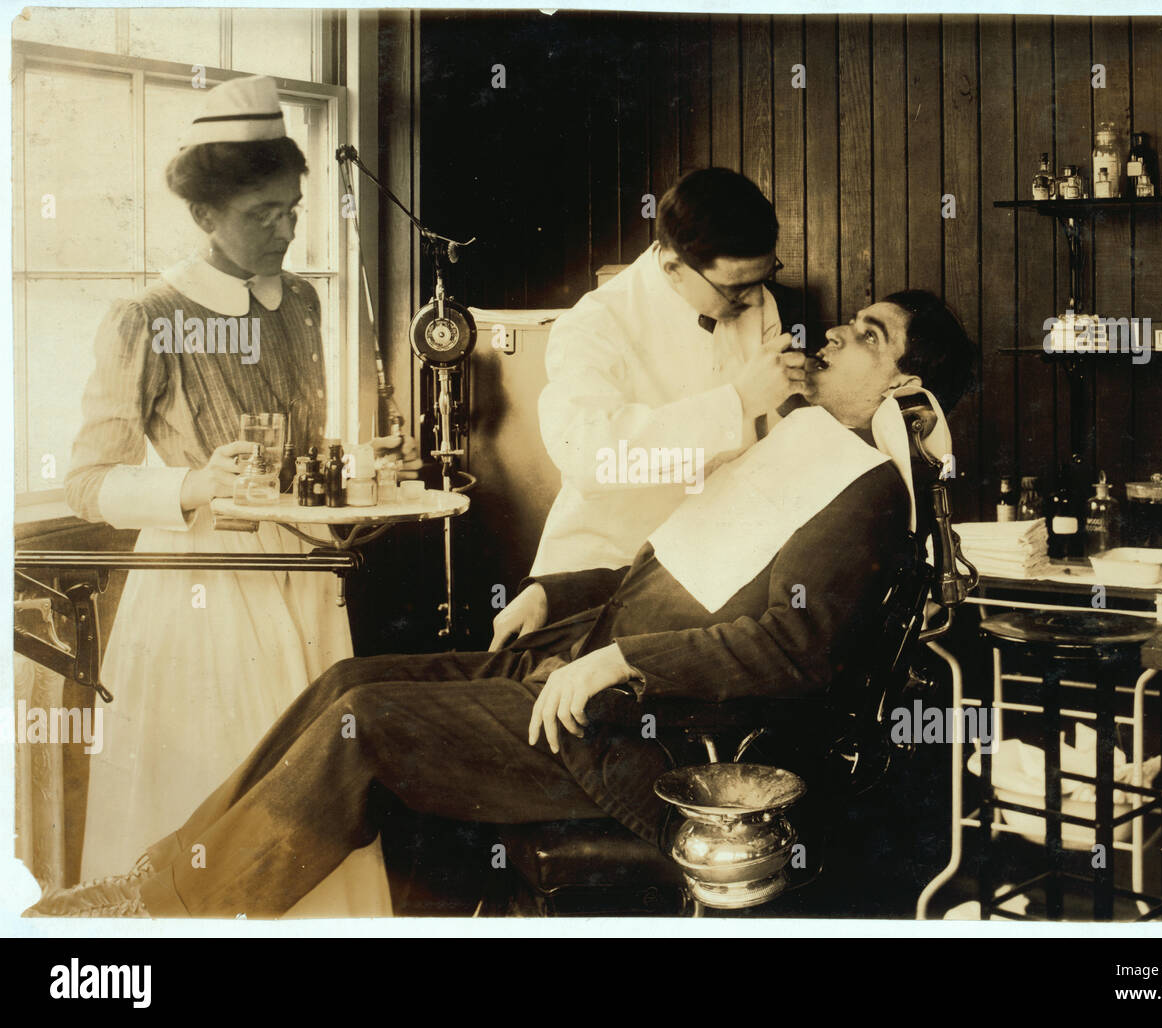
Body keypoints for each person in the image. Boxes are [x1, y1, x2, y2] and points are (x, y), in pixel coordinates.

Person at [31, 290, 975, 918]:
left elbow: (792, 650)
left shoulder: (867, 491)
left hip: (645, 732)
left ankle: (162, 919)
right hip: (579, 663)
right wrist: (550, 590)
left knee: (366, 725)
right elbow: (672, 566)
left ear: (902, 385)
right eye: (852, 319)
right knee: (346, 679)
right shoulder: (799, 443)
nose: (839, 334)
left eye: (870, 335)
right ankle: (157, 881)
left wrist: (625, 662)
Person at [61, 75, 393, 915]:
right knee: (220, 794)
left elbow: (299, 456)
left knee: (315, 797)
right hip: (203, 587)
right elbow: (88, 481)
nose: (286, 230)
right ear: (205, 216)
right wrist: (195, 484)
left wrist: (361, 467)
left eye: (292, 208)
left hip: (305, 581)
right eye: (263, 216)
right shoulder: (146, 316)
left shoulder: (305, 304)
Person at [492, 167, 808, 647]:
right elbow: (594, 458)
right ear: (672, 267)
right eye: (734, 289)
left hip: (703, 565)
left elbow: (768, 433)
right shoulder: (595, 325)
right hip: (601, 569)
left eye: (762, 280)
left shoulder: (755, 299)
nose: (752, 300)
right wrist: (738, 401)